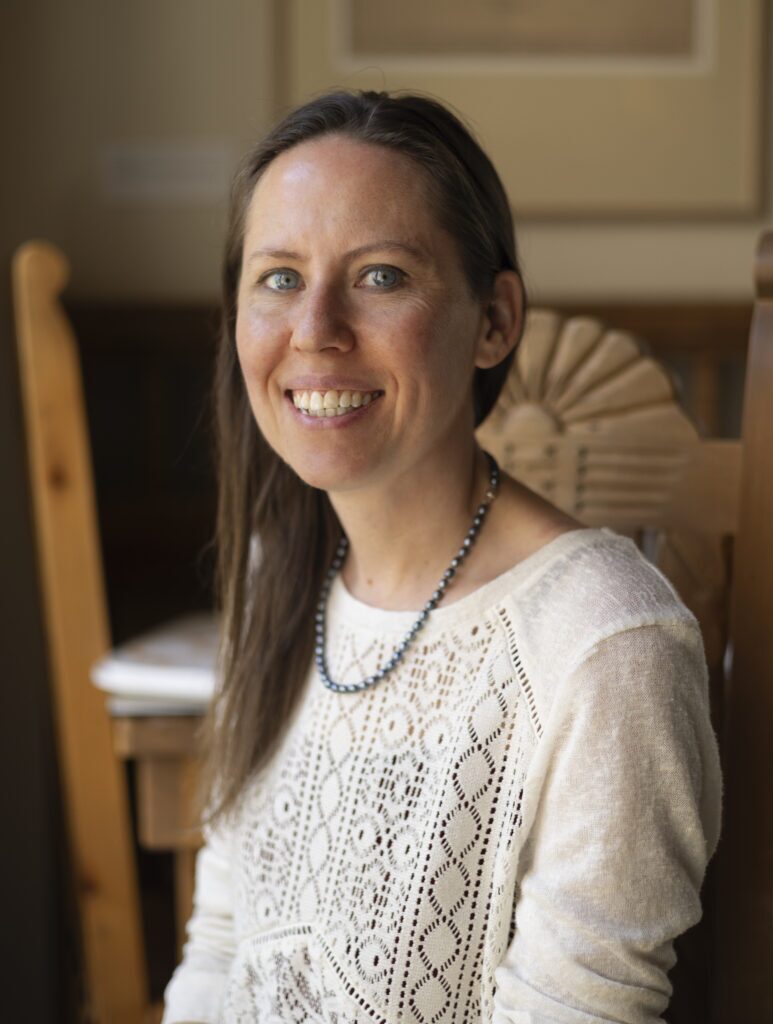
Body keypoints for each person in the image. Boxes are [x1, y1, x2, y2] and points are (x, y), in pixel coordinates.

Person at [162, 90, 721, 1023]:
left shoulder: (606, 645)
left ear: (495, 322)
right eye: (278, 278)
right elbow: (220, 949)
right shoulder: (275, 580)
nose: (314, 331)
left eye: (380, 276)